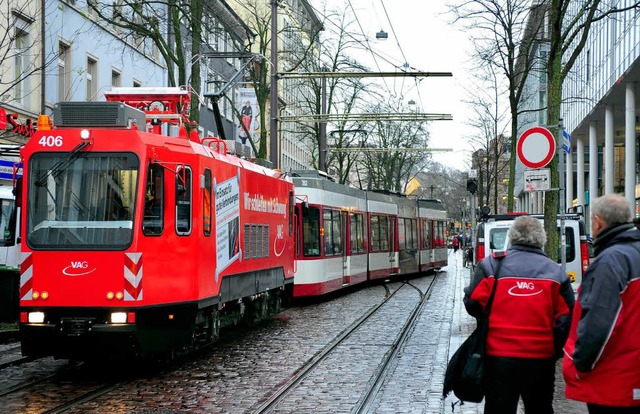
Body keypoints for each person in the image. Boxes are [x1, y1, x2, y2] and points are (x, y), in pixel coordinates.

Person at [464, 215, 574, 414]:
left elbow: (472, 303)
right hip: (540, 358)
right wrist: (555, 350)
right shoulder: (556, 273)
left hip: (498, 356)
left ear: (511, 237)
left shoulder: (491, 266)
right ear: (542, 239)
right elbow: (566, 319)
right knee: (540, 408)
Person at [563, 194, 640, 414]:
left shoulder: (611, 261)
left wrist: (580, 364)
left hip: (615, 380)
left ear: (597, 222)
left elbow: (599, 325)